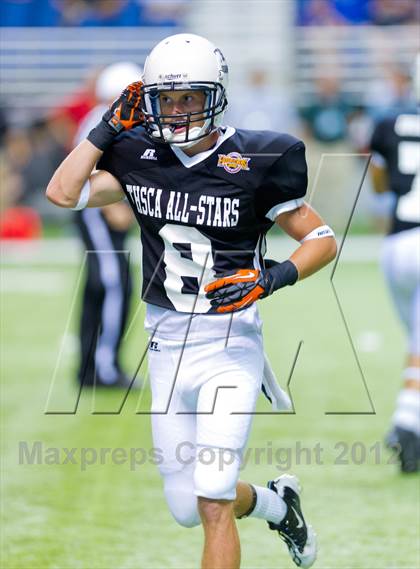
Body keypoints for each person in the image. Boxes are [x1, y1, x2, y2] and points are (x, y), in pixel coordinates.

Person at [46, 33, 337, 569]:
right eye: (167, 99)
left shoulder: (256, 158)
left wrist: (271, 277)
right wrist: (106, 127)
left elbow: (322, 240)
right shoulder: (137, 155)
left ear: (215, 95)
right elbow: (63, 193)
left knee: (212, 492)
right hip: (166, 345)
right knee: (187, 505)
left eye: (190, 98)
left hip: (231, 343)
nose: (178, 113)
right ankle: (279, 507)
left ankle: (263, 507)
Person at [73, 62, 141, 388]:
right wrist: (116, 207)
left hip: (99, 210)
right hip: (95, 212)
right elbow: (87, 173)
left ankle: (90, 367)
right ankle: (104, 368)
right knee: (114, 282)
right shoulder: (103, 120)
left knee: (102, 285)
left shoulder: (112, 119)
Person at [369, 53, 420, 474]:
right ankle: (407, 422)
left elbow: (380, 181)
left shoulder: (388, 122)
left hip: (398, 242)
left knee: (416, 340)